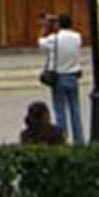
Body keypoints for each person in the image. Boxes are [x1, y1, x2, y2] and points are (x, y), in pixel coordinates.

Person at [38, 13, 84, 145]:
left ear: (59, 24)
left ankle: (62, 138)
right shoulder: (77, 37)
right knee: (75, 109)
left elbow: (40, 43)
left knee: (60, 110)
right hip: (73, 75)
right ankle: (79, 139)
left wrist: (45, 27)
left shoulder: (54, 39)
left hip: (58, 77)